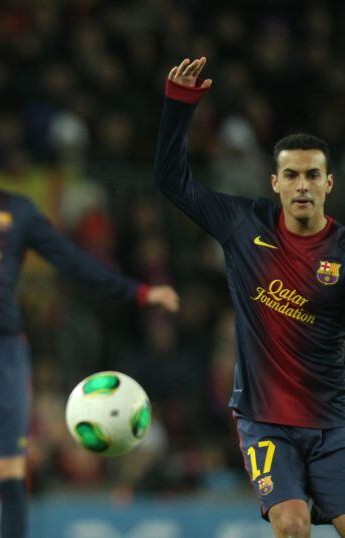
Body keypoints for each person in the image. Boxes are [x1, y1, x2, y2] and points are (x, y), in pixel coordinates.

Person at [0, 21, 180, 538]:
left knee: (8, 469)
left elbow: (73, 260)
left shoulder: (17, 211)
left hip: (3, 353)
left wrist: (139, 291)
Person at [156, 56, 345, 538]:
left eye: (312, 175)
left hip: (333, 419)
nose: (302, 185)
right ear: (275, 183)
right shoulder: (244, 225)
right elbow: (170, 182)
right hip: (266, 419)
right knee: (292, 524)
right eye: (292, 175)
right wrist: (179, 106)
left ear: (328, 183)